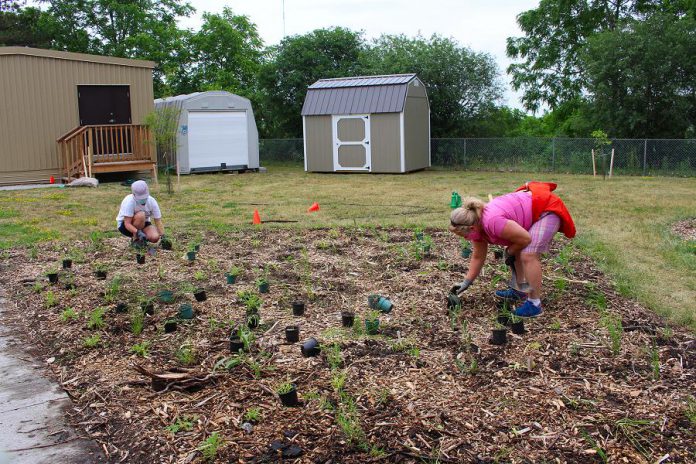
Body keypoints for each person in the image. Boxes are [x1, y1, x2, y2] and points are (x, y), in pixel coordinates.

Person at [448, 181, 575, 318]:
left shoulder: (492, 222)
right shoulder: (476, 224)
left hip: (546, 210)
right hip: (532, 209)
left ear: (471, 228)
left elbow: (525, 239)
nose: (465, 238)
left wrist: (509, 251)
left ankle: (534, 304)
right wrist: (466, 282)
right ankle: (520, 289)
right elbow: (478, 257)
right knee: (516, 249)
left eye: (463, 235)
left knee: (528, 254)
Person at [116, 180, 164, 246]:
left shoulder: (152, 201)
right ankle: (136, 240)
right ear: (133, 194)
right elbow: (127, 223)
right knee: (141, 215)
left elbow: (158, 220)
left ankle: (142, 239)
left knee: (155, 237)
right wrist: (138, 232)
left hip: (144, 223)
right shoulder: (129, 202)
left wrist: (163, 236)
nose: (143, 199)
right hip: (125, 226)